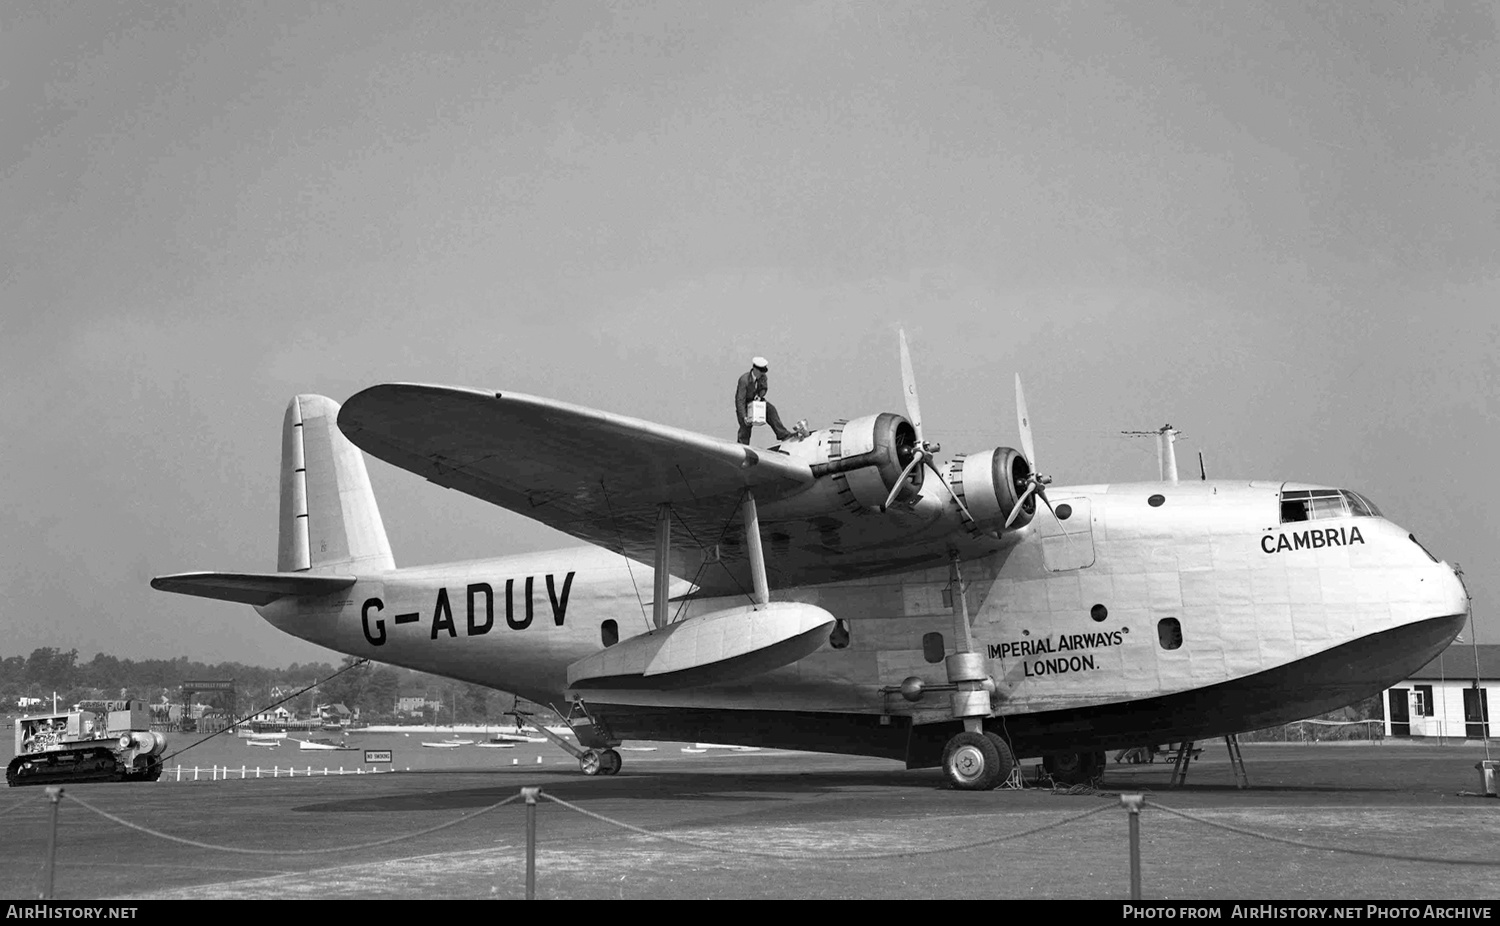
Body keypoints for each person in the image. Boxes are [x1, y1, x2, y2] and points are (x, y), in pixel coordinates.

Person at [735, 356, 804, 445]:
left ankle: (783, 434)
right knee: (745, 427)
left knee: (771, 410)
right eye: (760, 371)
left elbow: (764, 388)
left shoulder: (763, 377)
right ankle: (742, 446)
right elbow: (740, 400)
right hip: (745, 405)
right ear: (755, 369)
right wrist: (744, 416)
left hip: (757, 401)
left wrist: (759, 396)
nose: (762, 374)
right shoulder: (744, 380)